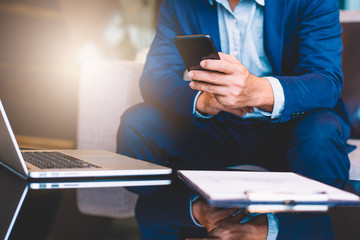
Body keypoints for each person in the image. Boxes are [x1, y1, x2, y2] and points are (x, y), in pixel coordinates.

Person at [117, 0, 350, 239]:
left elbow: (326, 81)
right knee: (138, 122)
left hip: (285, 130)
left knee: (322, 131)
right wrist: (202, 102)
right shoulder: (180, 3)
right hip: (210, 130)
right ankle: (183, 204)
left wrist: (257, 90)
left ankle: (296, 222)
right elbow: (155, 76)